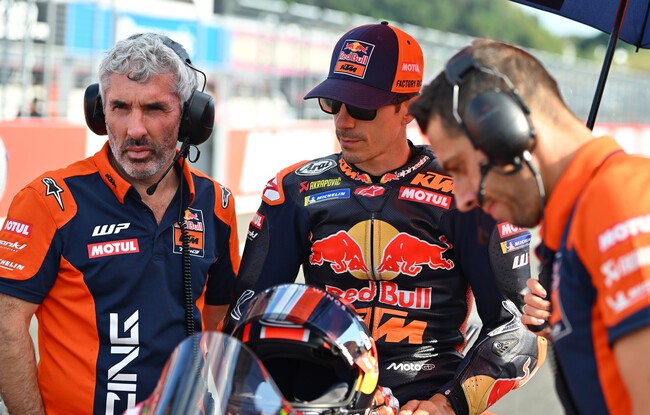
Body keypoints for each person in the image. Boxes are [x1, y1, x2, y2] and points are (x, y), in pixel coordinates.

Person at [228, 22, 547, 415]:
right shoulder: (294, 190)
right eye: (333, 103)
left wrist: (448, 404)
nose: (343, 121)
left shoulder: (468, 192)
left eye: (361, 107)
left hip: (428, 398)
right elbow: (245, 317)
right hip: (325, 400)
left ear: (408, 107)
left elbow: (519, 328)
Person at [0, 33, 240, 415]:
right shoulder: (49, 201)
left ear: (189, 117)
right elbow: (5, 325)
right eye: (120, 107)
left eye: (155, 108)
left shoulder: (216, 205)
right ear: (100, 113)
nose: (135, 129)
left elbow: (219, 328)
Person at [409, 38, 650, 414]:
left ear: (506, 131)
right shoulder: (580, 217)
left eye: (460, 168)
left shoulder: (620, 202)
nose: (464, 198)